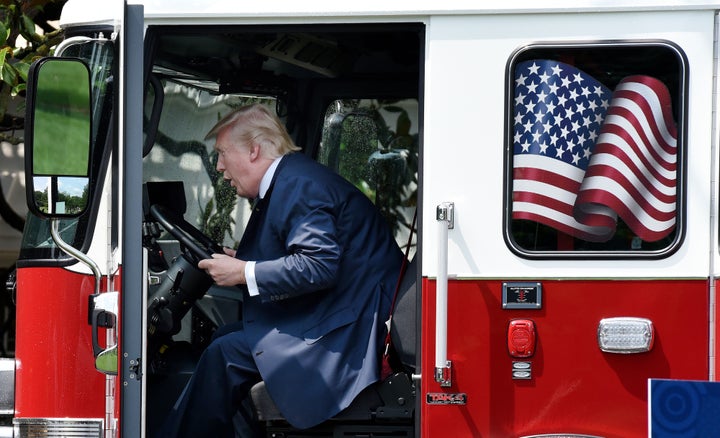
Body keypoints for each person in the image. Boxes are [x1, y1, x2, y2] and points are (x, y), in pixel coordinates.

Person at [159, 104, 404, 437]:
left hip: (347, 330)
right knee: (225, 338)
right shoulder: (293, 178)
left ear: (254, 150)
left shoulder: (299, 185)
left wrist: (244, 272)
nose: (218, 167)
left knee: (222, 353)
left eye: (221, 154)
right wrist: (238, 260)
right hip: (343, 309)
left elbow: (318, 265)